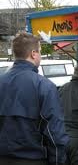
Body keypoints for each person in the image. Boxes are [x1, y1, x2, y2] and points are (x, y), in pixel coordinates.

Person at [0, 32, 69, 165]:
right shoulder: (44, 86)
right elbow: (55, 134)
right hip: (33, 159)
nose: (41, 56)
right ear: (33, 53)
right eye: (40, 52)